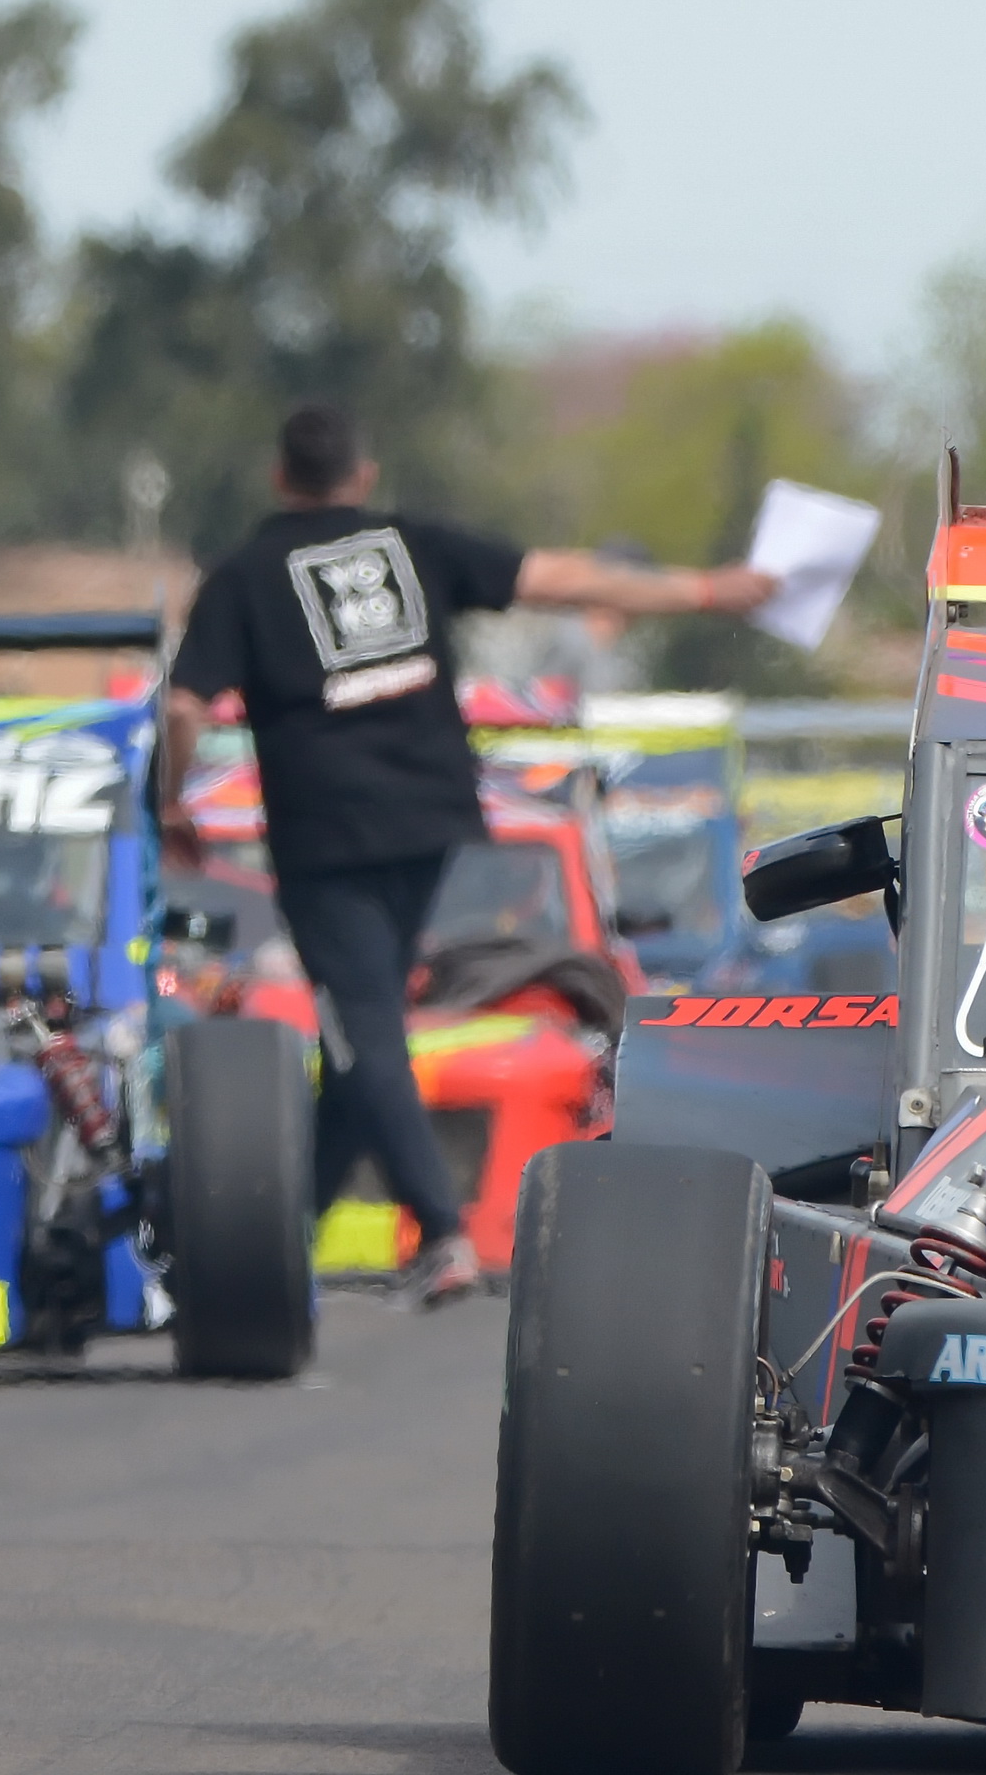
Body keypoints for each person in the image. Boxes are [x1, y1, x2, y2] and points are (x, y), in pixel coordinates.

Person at [159, 403, 766, 1305]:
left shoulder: (244, 574)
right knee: (364, 1033)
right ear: (361, 476)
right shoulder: (410, 544)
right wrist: (710, 590)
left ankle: (440, 1233)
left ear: (281, 478)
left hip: (326, 835)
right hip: (431, 818)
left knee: (362, 1026)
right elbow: (558, 577)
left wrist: (171, 799)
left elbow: (181, 707)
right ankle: (282, 1239)